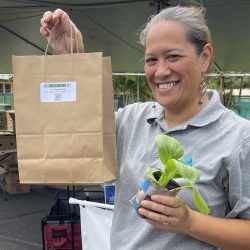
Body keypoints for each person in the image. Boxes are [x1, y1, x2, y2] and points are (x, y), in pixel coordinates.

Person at [40, 5, 250, 250]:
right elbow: (79, 126)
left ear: (205, 57)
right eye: (151, 60)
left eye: (173, 56)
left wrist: (190, 221)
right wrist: (70, 58)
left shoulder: (238, 137)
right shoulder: (130, 120)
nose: (160, 71)